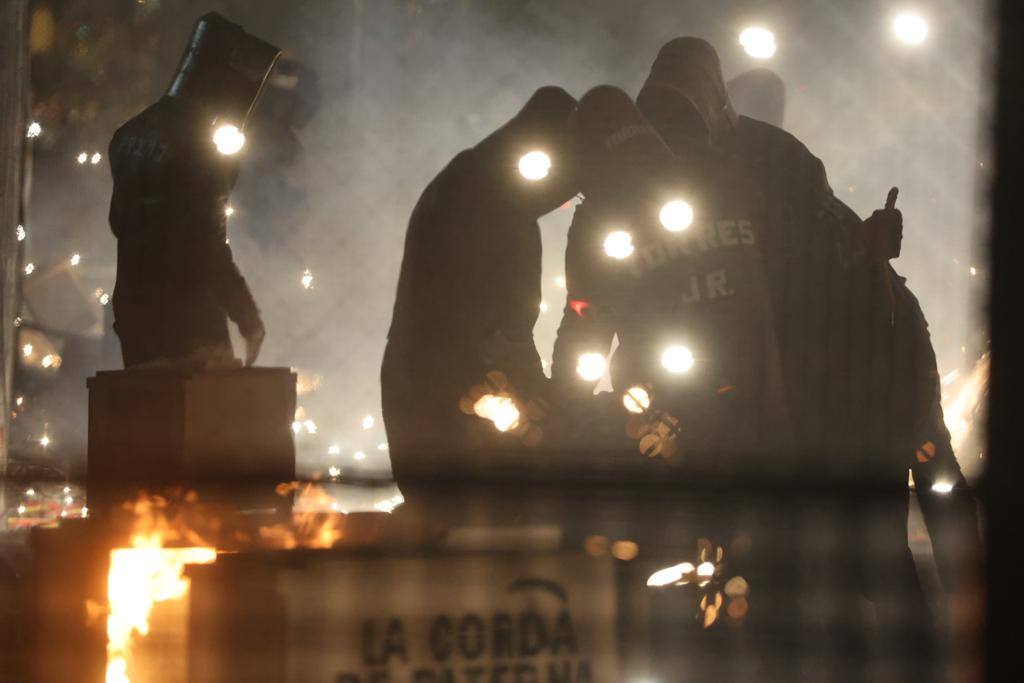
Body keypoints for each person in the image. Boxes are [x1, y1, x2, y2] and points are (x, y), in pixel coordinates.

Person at [382, 87, 578, 481]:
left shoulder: (475, 183)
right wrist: (539, 395)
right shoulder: (487, 200)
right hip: (460, 397)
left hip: (427, 386)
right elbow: (501, 323)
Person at [108, 12, 277, 368]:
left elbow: (118, 221)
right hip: (189, 330)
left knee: (141, 419)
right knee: (206, 422)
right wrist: (248, 319)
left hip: (134, 315)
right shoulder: (199, 149)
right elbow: (209, 248)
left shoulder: (129, 134)